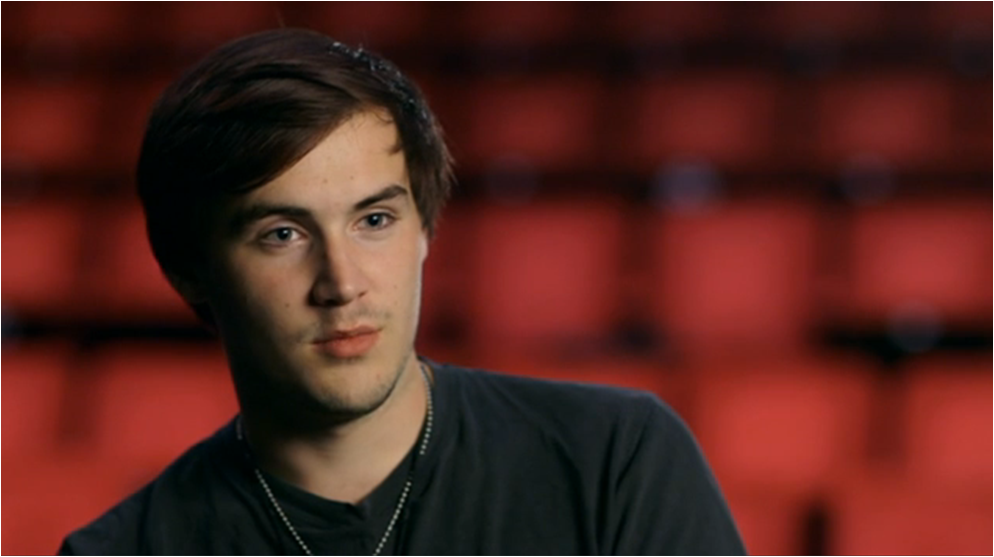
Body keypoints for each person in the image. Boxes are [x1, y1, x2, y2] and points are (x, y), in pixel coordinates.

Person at [59, 28, 746, 555]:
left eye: (374, 221)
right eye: (282, 234)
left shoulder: (615, 460)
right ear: (187, 268)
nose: (342, 282)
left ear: (425, 230)